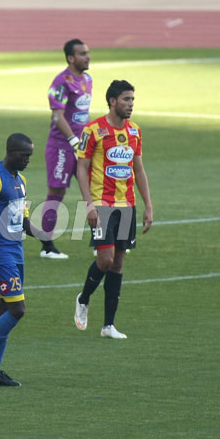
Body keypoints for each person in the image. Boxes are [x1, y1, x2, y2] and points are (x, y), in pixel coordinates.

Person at [74, 80, 153, 339]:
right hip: (102, 204)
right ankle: (84, 298)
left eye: (132, 99)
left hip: (127, 205)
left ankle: (108, 326)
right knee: (105, 261)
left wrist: (148, 206)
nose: (131, 104)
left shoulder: (135, 132)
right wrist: (88, 204)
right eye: (126, 99)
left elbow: (138, 169)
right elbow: (81, 168)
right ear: (112, 101)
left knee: (118, 264)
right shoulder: (94, 130)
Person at [0, 133, 46, 387]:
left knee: (3, 308)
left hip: (17, 251)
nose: (28, 160)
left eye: (30, 156)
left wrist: (42, 237)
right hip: (0, 253)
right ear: (11, 152)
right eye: (24, 155)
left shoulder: (21, 180)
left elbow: (22, 220)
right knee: (18, 309)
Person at [39, 39, 93, 259]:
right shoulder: (61, 82)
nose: (88, 57)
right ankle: (47, 245)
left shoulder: (87, 79)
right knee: (57, 192)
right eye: (82, 54)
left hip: (83, 145)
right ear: (71, 58)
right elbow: (57, 115)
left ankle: (101, 240)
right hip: (62, 146)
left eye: (88, 53)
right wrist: (72, 140)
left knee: (94, 188)